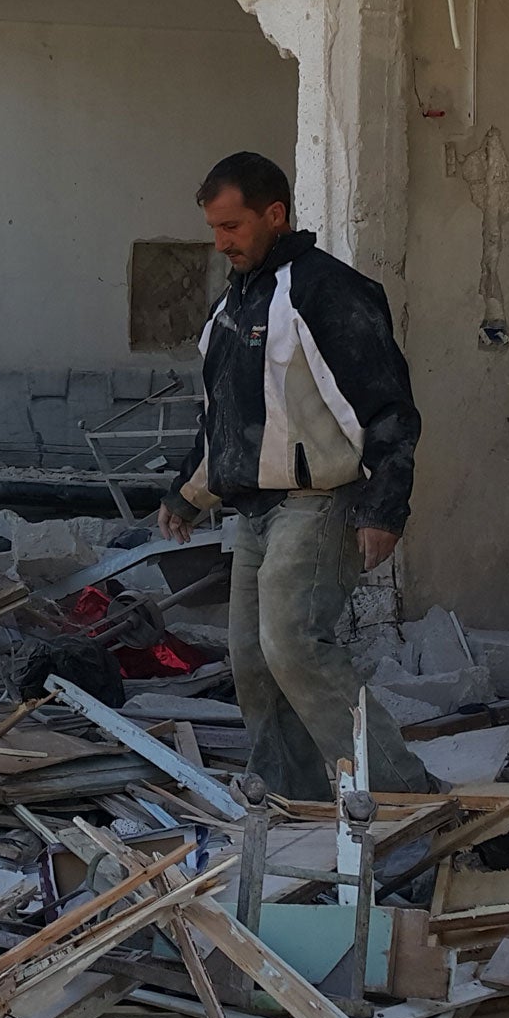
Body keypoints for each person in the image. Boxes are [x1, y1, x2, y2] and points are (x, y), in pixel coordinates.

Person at [158, 153, 430, 801]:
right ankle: (292, 801)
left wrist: (385, 507)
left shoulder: (327, 291)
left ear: (274, 215)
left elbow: (388, 406)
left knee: (294, 646)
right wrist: (186, 495)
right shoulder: (232, 305)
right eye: (214, 228)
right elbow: (220, 418)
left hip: (321, 504)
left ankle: (401, 800)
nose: (221, 243)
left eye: (232, 227)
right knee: (253, 662)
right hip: (256, 512)